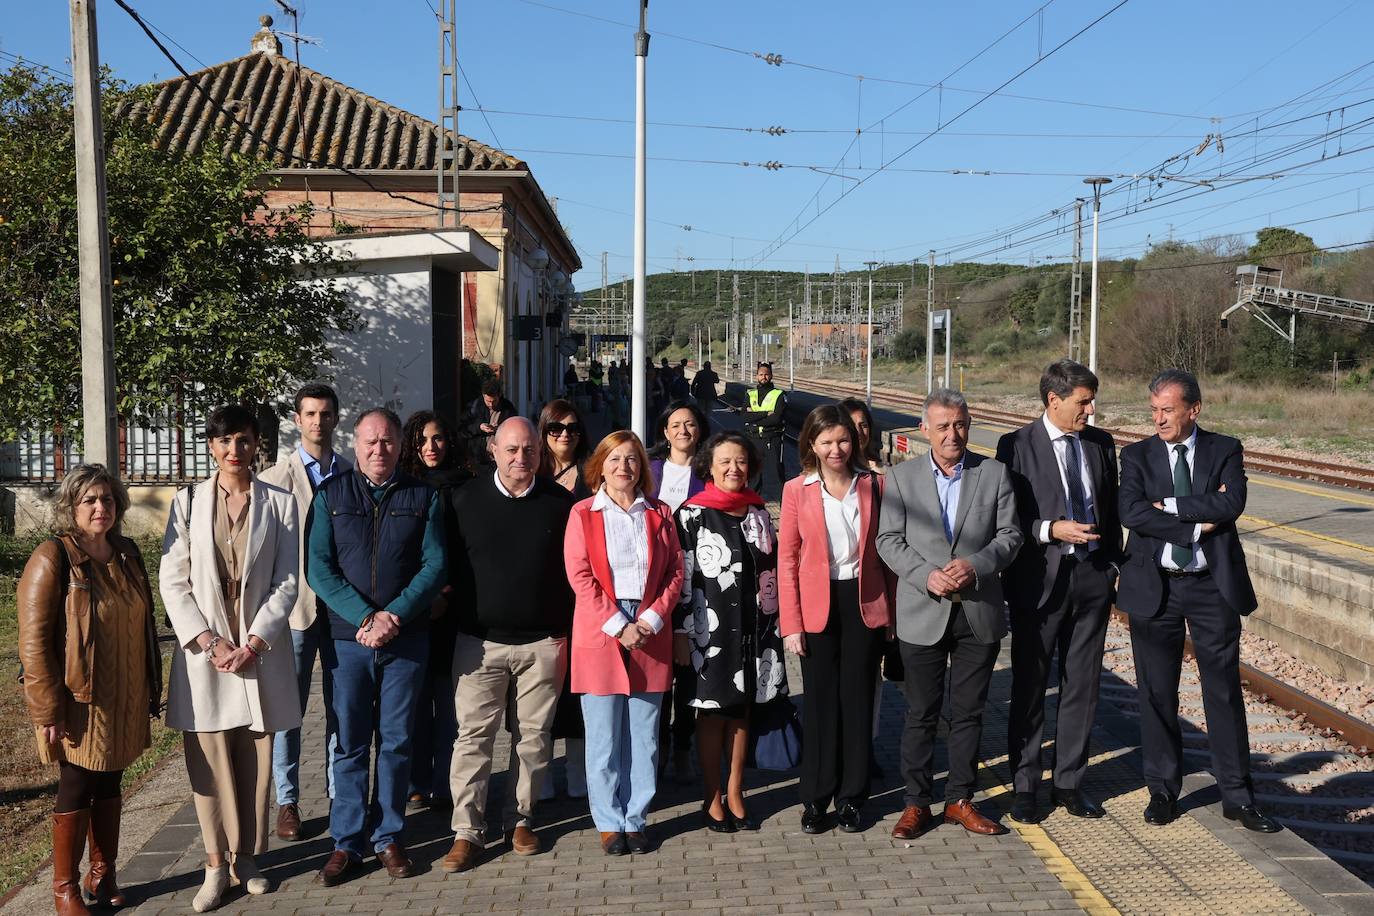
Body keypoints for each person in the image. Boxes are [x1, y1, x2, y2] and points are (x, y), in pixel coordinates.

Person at [1117, 369, 1279, 833]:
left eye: (1168, 410)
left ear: (1194, 409)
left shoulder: (1224, 448)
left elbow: (1232, 505)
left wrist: (1164, 506)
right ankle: (1163, 791)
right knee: (1156, 693)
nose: (1159, 419)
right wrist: (1193, 520)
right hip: (1157, 588)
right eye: (1153, 410)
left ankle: (1237, 797)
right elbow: (1130, 513)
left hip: (1211, 586)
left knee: (1224, 692)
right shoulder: (1137, 455)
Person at [160, 405, 302, 911]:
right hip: (208, 656)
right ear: (211, 446)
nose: (233, 451)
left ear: (256, 445)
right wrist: (209, 641)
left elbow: (288, 580)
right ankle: (215, 864)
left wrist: (256, 640)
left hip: (257, 654)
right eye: (223, 442)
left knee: (255, 757)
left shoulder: (280, 503)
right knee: (209, 759)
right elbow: (173, 581)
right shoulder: (187, 503)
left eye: (242, 441)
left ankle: (248, 859)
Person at [306, 408, 447, 886]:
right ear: (355, 443)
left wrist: (394, 616)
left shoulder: (422, 496)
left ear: (397, 445)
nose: (378, 450)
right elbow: (319, 569)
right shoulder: (331, 496)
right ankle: (346, 842)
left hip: (405, 641)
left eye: (387, 441)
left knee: (396, 741)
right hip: (348, 642)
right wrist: (366, 616)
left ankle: (388, 836)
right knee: (348, 743)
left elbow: (434, 565)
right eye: (369, 442)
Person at [876, 389, 1022, 840]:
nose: (952, 434)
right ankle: (917, 803)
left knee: (969, 712)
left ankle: (960, 799)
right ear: (925, 430)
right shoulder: (901, 479)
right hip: (924, 609)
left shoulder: (994, 474)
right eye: (942, 426)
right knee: (921, 712)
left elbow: (1011, 535)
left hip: (977, 611)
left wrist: (976, 565)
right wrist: (925, 575)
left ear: (969, 424)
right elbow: (888, 540)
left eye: (959, 424)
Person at [18, 465, 161, 916]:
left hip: (124, 693)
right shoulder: (53, 556)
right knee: (76, 785)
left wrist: (151, 688)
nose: (101, 508)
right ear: (72, 507)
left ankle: (103, 872)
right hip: (79, 701)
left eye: (108, 500)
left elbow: (144, 625)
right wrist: (47, 712)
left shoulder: (128, 553)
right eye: (90, 501)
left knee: (112, 778)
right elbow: (34, 643)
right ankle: (64, 889)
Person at [442, 418, 576, 873]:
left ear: (542, 453)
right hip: (480, 644)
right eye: (513, 450)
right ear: (493, 450)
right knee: (472, 740)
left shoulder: (561, 504)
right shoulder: (463, 500)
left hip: (543, 643)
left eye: (531, 451)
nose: (523, 459)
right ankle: (467, 831)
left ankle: (519, 819)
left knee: (534, 740)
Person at [997, 360, 1122, 825]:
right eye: (1083, 402)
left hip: (1091, 579)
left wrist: (1112, 564)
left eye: (1092, 401)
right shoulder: (1017, 446)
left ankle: (1069, 783)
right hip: (1039, 582)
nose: (1091, 410)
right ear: (1054, 400)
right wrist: (1051, 529)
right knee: (1031, 686)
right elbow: (1004, 519)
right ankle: (1025, 786)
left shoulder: (1100, 443)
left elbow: (1110, 512)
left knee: (1083, 687)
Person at [563, 431, 685, 855]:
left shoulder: (660, 513)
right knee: (603, 737)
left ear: (642, 468)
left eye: (632, 459)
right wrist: (620, 625)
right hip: (601, 628)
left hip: (651, 628)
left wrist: (650, 618)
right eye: (614, 459)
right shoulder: (582, 513)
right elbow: (580, 577)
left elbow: (674, 572)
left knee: (645, 737)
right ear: (600, 464)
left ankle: (636, 819)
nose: (623, 467)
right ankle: (609, 822)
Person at [778, 406, 893, 835]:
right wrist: (791, 623)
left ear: (855, 441)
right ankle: (815, 797)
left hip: (864, 601)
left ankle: (852, 798)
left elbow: (889, 552)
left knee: (859, 702)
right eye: (826, 442)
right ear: (811, 444)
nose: (836, 449)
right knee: (821, 704)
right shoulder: (796, 490)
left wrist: (892, 615)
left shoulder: (875, 484)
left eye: (843, 440)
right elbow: (786, 558)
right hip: (816, 606)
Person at [675, 431, 785, 833]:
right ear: (709, 466)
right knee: (711, 713)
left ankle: (736, 791)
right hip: (709, 632)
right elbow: (682, 577)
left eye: (740, 461)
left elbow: (770, 571)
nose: (733, 469)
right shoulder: (691, 514)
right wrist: (681, 633)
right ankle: (711, 795)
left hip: (755, 630)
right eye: (724, 461)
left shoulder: (757, 511)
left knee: (742, 713)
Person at [260, 382, 348, 843]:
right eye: (310, 414)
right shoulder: (274, 480)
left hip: (339, 613)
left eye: (325, 413)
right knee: (287, 709)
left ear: (336, 418)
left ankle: (340, 795)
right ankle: (288, 800)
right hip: (292, 614)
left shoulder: (350, 474)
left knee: (341, 708)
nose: (318, 421)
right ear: (297, 420)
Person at [399, 410, 471, 810]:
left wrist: (447, 591)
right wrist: (424, 595)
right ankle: (415, 780)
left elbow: (466, 550)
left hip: (453, 607)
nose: (431, 447)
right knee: (413, 701)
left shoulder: (464, 486)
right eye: (423, 440)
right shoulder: (403, 488)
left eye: (438, 438)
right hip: (413, 607)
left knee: (449, 702)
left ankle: (445, 781)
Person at [647, 400, 710, 783]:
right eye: (675, 424)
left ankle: (683, 743)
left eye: (690, 423)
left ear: (699, 430)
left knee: (688, 671)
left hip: (699, 582)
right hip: (655, 583)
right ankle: (659, 747)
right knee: (659, 671)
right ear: (665, 431)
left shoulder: (708, 472)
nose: (683, 430)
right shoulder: (650, 470)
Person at [538, 398, 592, 798]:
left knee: (577, 687)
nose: (565, 435)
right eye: (556, 428)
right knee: (538, 690)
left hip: (584, 596)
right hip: (541, 593)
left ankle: (577, 776)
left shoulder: (592, 475)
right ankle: (537, 781)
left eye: (572, 428)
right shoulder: (531, 474)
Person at [738, 362, 787, 500]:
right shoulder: (750, 394)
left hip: (772, 439)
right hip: (752, 439)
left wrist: (754, 417)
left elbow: (776, 418)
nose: (763, 377)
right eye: (761, 374)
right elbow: (744, 416)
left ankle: (785, 508)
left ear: (771, 375)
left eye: (766, 374)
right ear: (756, 376)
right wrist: (766, 413)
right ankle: (753, 506)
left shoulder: (779, 395)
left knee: (777, 474)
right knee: (753, 476)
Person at [464, 377, 516, 468]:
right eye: (488, 401)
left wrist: (499, 429)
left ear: (499, 395)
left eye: (494, 401)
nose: (491, 405)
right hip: (478, 458)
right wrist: (479, 427)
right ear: (483, 395)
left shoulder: (508, 409)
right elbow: (464, 429)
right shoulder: (474, 407)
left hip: (499, 460)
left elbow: (514, 432)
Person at [839, 397, 885, 473]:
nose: (858, 432)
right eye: (851, 426)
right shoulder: (834, 473)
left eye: (863, 426)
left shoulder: (883, 470)